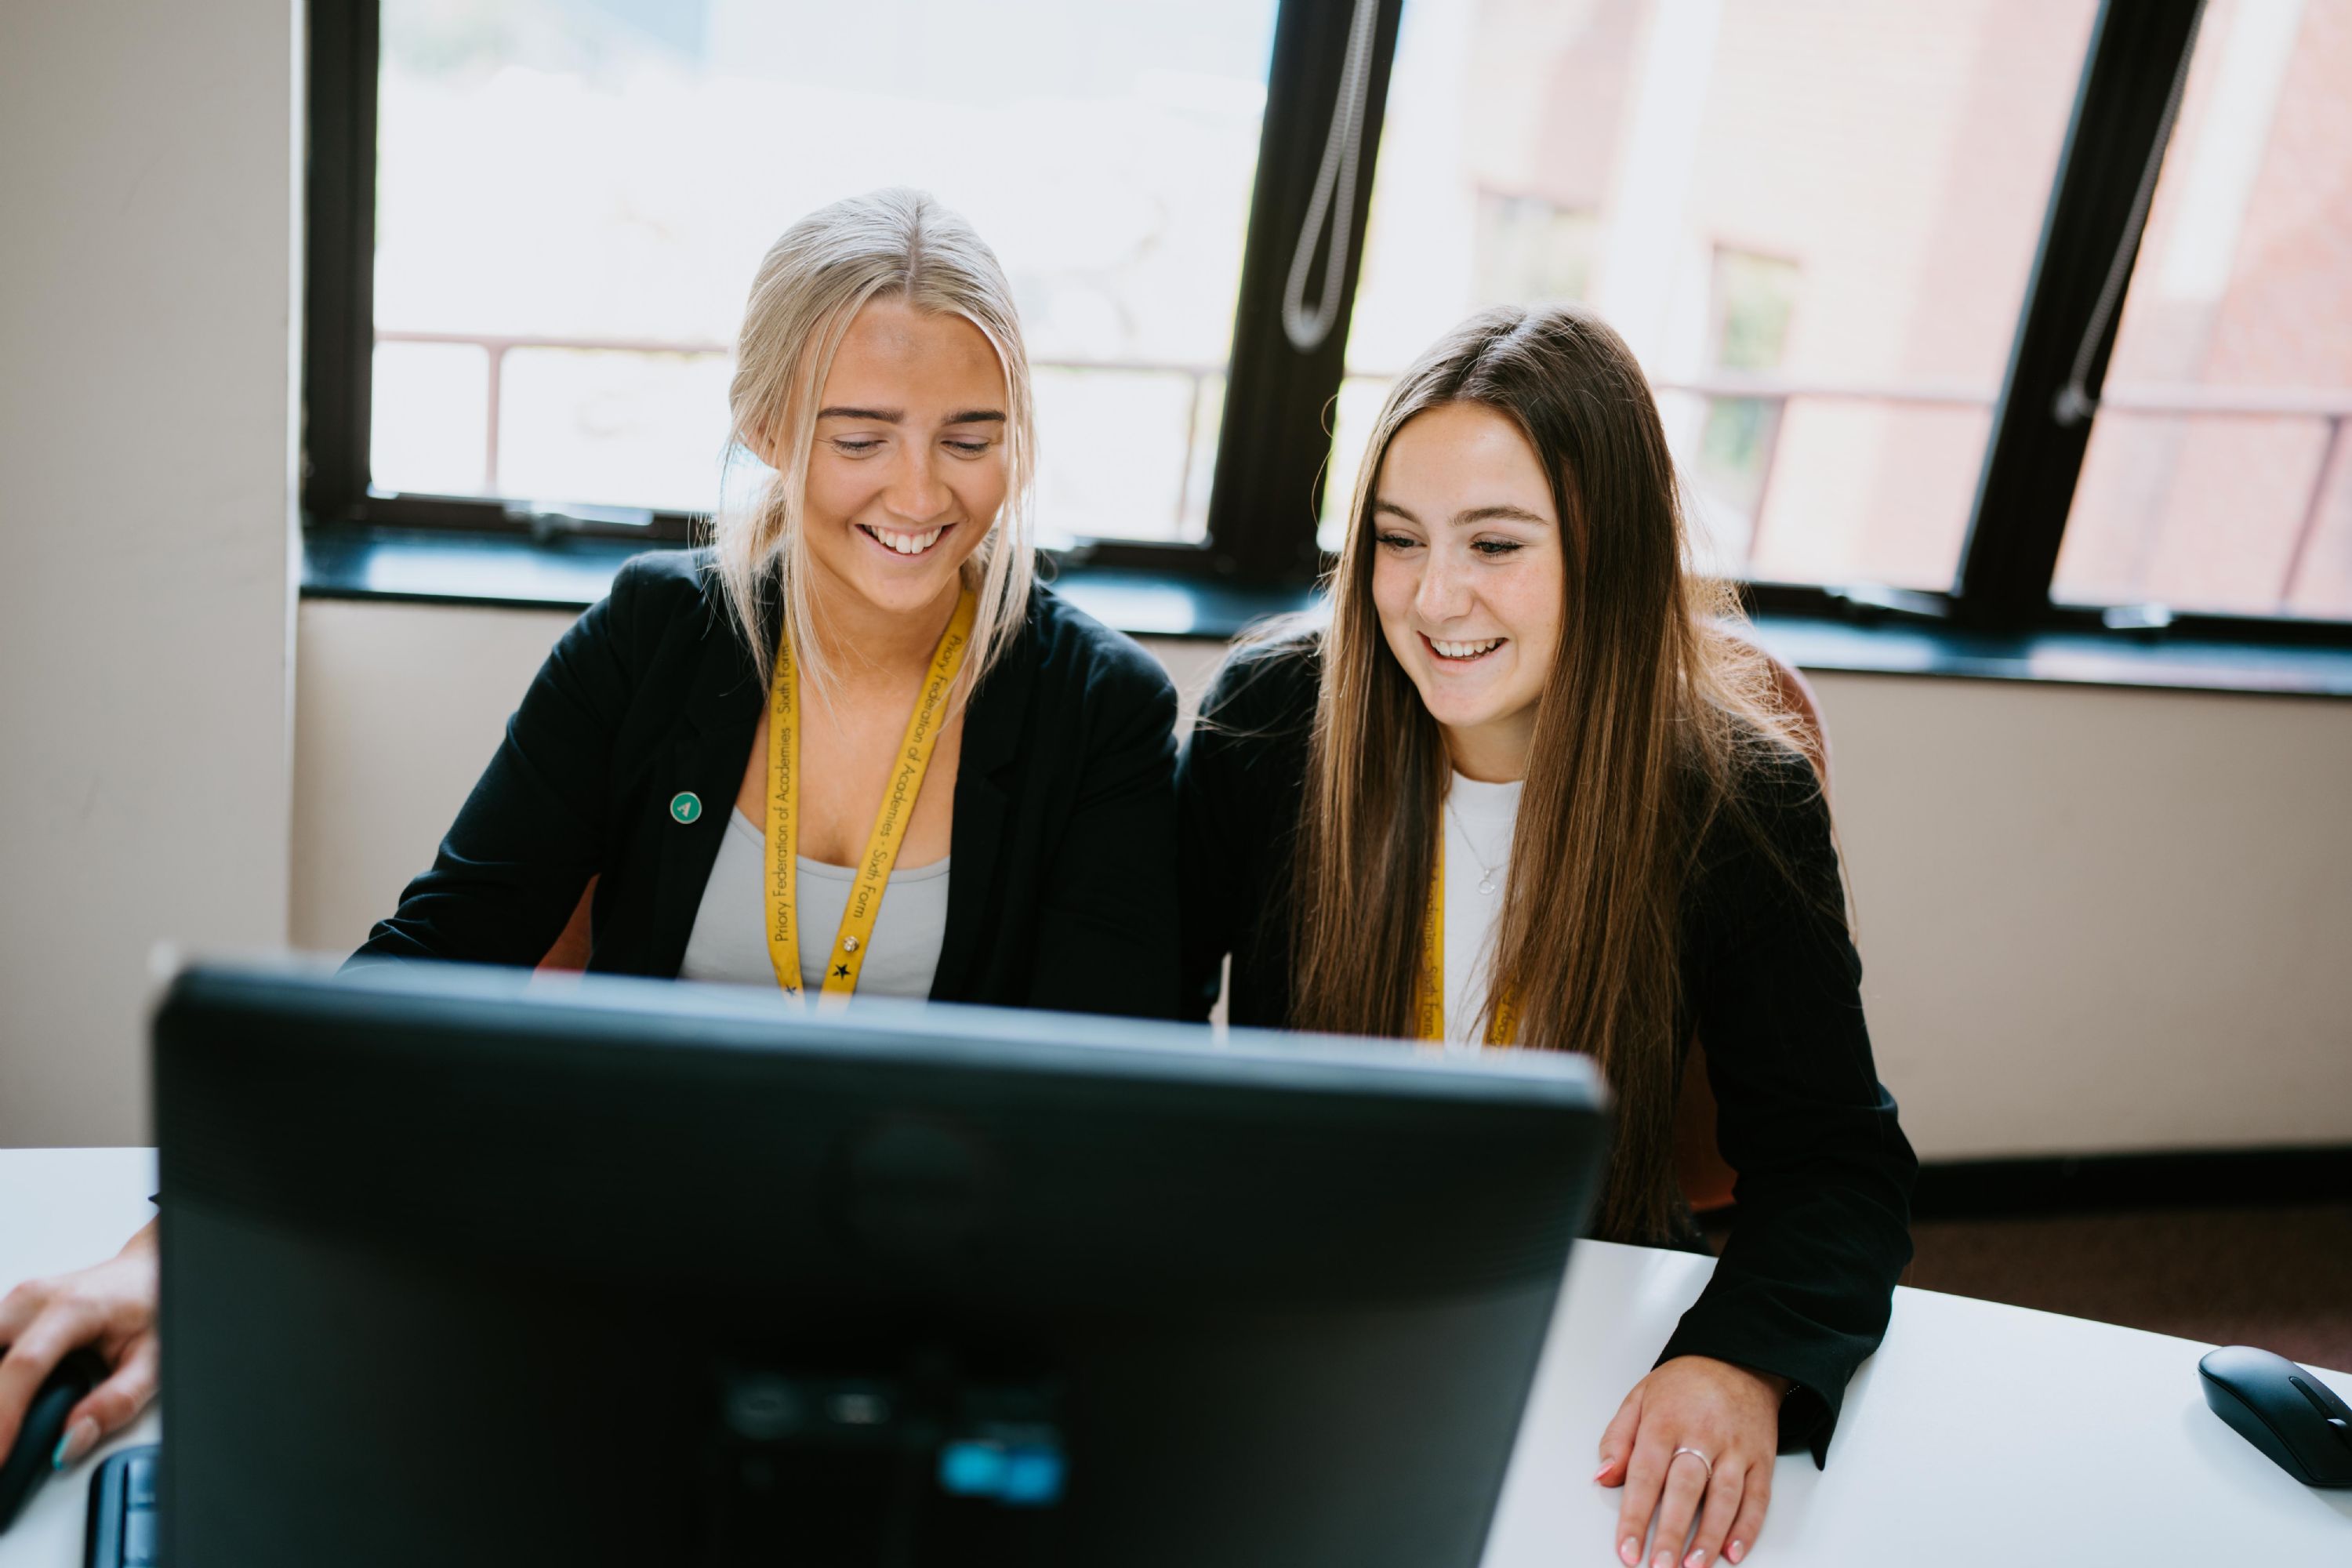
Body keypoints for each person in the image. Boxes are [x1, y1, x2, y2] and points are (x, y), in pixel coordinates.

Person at [0, 188, 1181, 1473]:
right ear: (768, 425)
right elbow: (437, 958)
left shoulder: (1098, 713)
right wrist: (177, 1252)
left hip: (926, 1320)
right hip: (631, 1278)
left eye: (971, 436)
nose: (920, 489)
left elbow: (1107, 1115)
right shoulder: (653, 641)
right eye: (861, 436)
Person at [1177, 304, 1916, 1568]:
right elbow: (1121, 1036)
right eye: (1397, 542)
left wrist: (1737, 1360)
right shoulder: (1271, 720)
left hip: (1582, 1321)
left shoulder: (1735, 794)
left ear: (1610, 554)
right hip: (1310, 1308)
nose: (1433, 598)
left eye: (1497, 544)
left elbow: (1839, 1168)